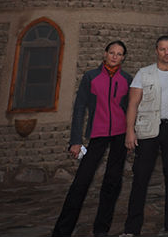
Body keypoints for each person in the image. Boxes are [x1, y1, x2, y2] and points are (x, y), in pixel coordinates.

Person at [52, 41, 132, 237]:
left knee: (112, 183)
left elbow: (131, 109)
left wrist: (131, 133)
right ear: (105, 54)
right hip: (97, 134)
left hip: (120, 135)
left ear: (123, 58)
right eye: (111, 52)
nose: (114, 56)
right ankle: (62, 231)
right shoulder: (91, 77)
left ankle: (101, 229)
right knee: (81, 182)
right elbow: (80, 108)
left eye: (119, 54)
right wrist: (75, 140)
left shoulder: (127, 79)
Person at [119, 35, 168, 237]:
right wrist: (130, 131)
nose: (166, 52)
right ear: (156, 51)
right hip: (148, 129)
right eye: (162, 49)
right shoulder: (144, 74)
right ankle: (132, 229)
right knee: (141, 177)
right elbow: (133, 104)